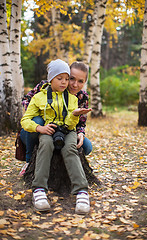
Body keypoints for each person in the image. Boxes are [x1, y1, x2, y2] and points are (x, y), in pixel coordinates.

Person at [21, 59, 91, 214]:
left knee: (70, 149)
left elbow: (72, 125)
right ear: (51, 78)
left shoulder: (74, 98)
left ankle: (82, 192)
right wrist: (39, 127)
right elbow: (25, 119)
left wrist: (74, 115)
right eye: (62, 79)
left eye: (67, 79)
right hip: (47, 128)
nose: (67, 83)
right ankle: (39, 190)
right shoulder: (40, 95)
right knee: (45, 145)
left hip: (68, 130)